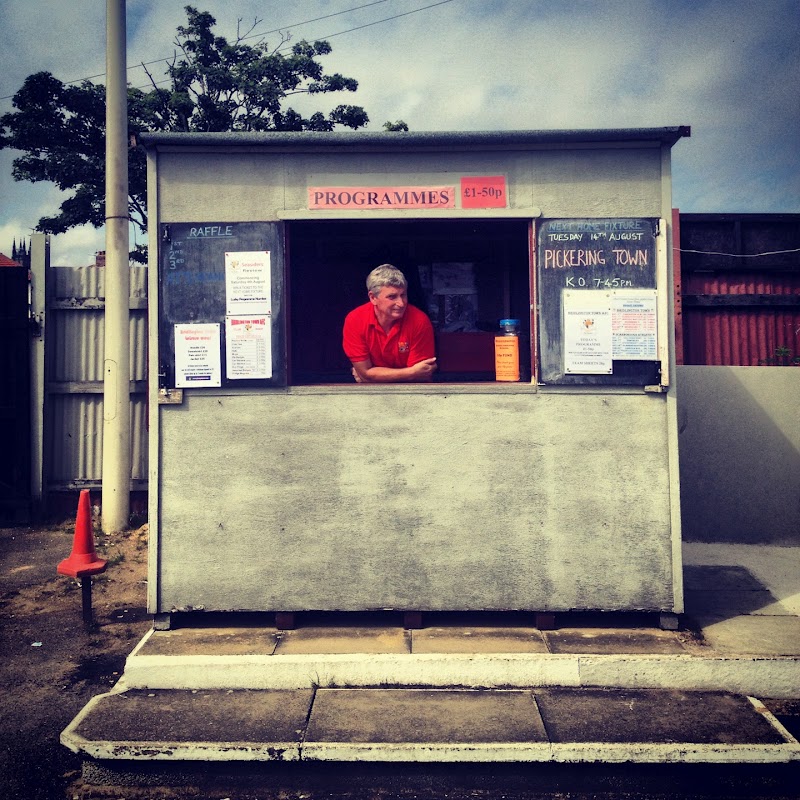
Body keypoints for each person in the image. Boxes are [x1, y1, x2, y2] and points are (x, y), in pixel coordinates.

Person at [343, 264, 437, 383]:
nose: (401, 303)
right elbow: (365, 373)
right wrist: (411, 372)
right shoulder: (355, 319)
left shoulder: (419, 320)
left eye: (403, 295)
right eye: (392, 297)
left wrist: (372, 375)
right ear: (373, 298)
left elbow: (420, 377)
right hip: (370, 392)